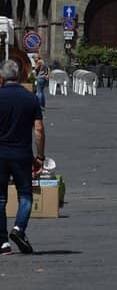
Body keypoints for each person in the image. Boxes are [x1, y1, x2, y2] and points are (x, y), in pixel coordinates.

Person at [0, 58, 46, 255]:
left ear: (2, 77)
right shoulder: (31, 98)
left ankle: (2, 243)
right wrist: (41, 156)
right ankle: (19, 228)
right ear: (19, 76)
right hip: (22, 154)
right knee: (25, 194)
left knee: (0, 198)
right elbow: (38, 129)